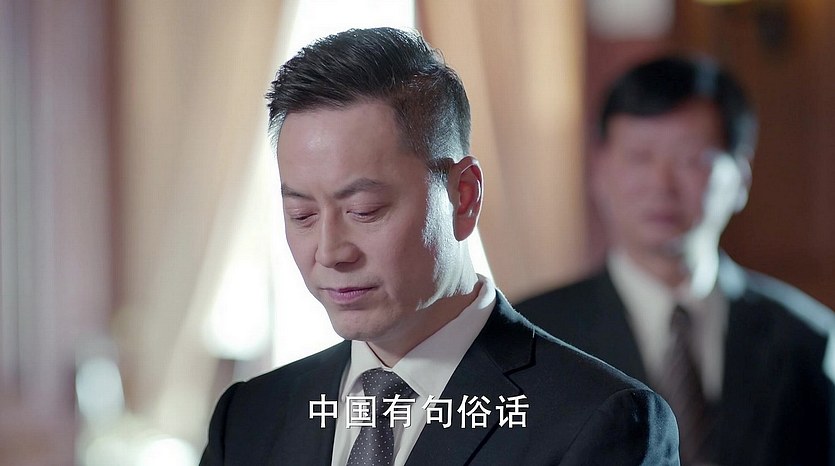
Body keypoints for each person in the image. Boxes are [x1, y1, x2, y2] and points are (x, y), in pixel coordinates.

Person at [200, 27, 679, 465]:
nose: (329, 252)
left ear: (463, 196)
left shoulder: (597, 421)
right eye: (302, 215)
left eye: (364, 210)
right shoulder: (250, 417)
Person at [517, 55, 835, 466]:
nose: (661, 184)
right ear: (599, 171)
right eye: (639, 157)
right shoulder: (530, 339)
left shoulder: (809, 340)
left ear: (740, 177)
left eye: (691, 159)